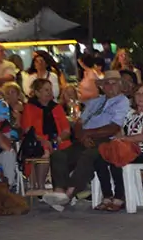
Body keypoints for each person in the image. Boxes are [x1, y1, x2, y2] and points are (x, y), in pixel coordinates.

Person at [42, 71, 130, 211]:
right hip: (84, 138)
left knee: (88, 156)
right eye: (107, 83)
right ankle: (59, 191)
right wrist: (82, 137)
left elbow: (114, 127)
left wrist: (88, 134)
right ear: (102, 86)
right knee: (58, 155)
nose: (110, 87)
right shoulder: (95, 101)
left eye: (114, 83)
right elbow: (79, 123)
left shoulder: (122, 101)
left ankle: (69, 193)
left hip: (106, 140)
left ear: (120, 85)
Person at [93, 84, 143, 211]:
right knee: (100, 159)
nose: (140, 96)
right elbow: (118, 129)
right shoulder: (130, 113)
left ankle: (119, 198)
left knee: (117, 158)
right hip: (126, 148)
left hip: (141, 152)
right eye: (138, 94)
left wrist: (123, 139)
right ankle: (107, 196)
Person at [20, 78, 72, 191]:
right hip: (37, 141)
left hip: (57, 141)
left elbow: (66, 129)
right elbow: (28, 130)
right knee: (45, 151)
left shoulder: (57, 107)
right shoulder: (29, 107)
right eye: (46, 90)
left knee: (66, 151)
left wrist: (58, 138)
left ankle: (63, 187)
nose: (49, 92)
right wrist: (44, 141)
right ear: (37, 93)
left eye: (50, 89)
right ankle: (40, 186)